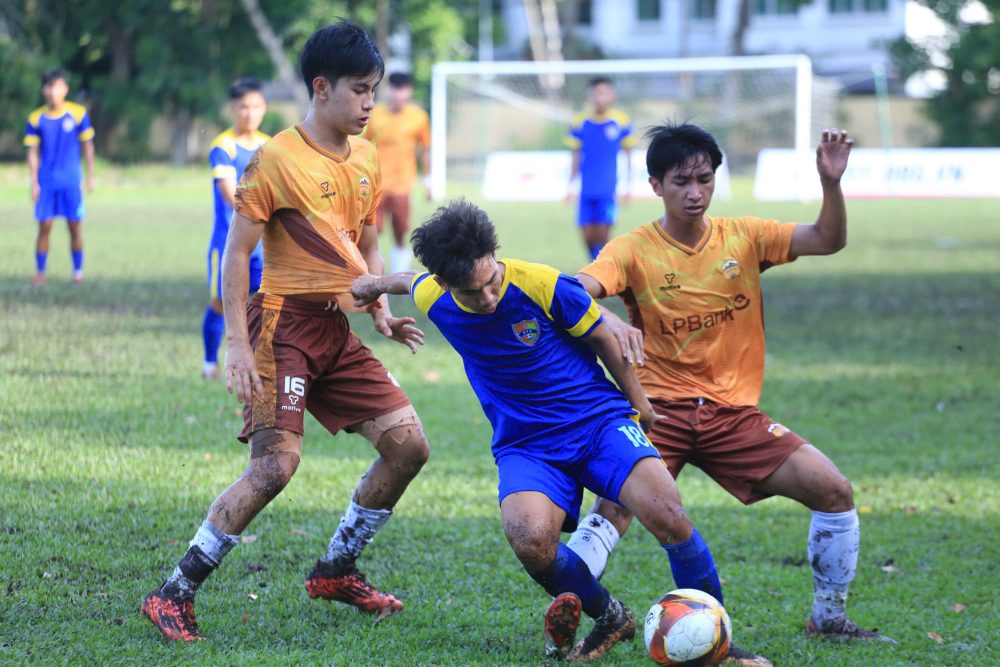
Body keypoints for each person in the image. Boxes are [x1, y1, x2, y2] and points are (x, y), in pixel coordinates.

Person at [351, 199, 764, 663]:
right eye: (473, 292)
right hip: (526, 445)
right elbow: (411, 281)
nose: (488, 298)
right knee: (530, 542)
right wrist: (373, 284)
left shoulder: (541, 283)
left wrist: (640, 405)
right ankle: (610, 616)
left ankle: (719, 646)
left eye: (492, 282)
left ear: (496, 257)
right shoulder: (437, 296)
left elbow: (604, 336)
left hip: (596, 422)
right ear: (446, 285)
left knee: (668, 512)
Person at [141, 21, 431, 642]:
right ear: (321, 88)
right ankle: (173, 592)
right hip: (282, 328)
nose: (370, 103)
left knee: (409, 446)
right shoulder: (275, 158)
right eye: (360, 90)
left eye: (375, 89)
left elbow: (369, 241)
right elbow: (236, 255)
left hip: (336, 330)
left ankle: (336, 568)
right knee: (276, 467)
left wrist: (379, 308)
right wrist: (238, 344)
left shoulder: (369, 158)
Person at [564, 122, 896, 647]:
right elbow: (575, 288)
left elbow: (828, 239)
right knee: (613, 510)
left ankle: (829, 617)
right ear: (655, 186)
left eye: (704, 179)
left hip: (733, 416)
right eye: (681, 182)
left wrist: (831, 183)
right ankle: (568, 605)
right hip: (658, 413)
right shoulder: (633, 249)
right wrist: (607, 320)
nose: (695, 192)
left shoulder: (745, 236)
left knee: (833, 489)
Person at [201, 78, 271, 380]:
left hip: (263, 242)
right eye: (243, 107)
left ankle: (257, 362)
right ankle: (209, 363)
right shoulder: (223, 146)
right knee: (222, 300)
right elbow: (229, 193)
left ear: (264, 108)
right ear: (232, 109)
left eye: (256, 106)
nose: (250, 113)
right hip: (228, 240)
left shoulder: (270, 145)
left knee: (262, 299)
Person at [24, 69, 96, 286]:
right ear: (44, 89)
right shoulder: (36, 118)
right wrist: (34, 181)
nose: (53, 91)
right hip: (47, 180)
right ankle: (41, 271)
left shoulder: (78, 114)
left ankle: (78, 271)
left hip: (71, 180)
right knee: (44, 225)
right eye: (50, 86)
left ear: (65, 88)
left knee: (74, 226)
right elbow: (33, 152)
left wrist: (90, 175)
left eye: (58, 86)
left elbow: (88, 146)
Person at [364, 71, 431, 274]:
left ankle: (399, 274)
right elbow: (364, 146)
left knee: (401, 230)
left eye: (402, 90)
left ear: (409, 91)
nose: (398, 94)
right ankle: (372, 273)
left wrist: (428, 180)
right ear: (388, 90)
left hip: (403, 184)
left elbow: (425, 149)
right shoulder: (374, 114)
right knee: (373, 230)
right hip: (378, 183)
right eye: (394, 89)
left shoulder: (418, 117)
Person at [565, 77, 634, 261]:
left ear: (611, 96)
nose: (600, 97)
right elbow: (575, 156)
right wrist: (570, 187)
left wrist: (628, 186)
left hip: (607, 190)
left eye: (604, 93)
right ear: (590, 96)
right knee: (588, 237)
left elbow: (628, 155)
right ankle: (597, 266)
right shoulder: (579, 121)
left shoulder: (621, 121)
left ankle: (600, 273)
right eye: (596, 93)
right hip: (586, 190)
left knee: (602, 236)